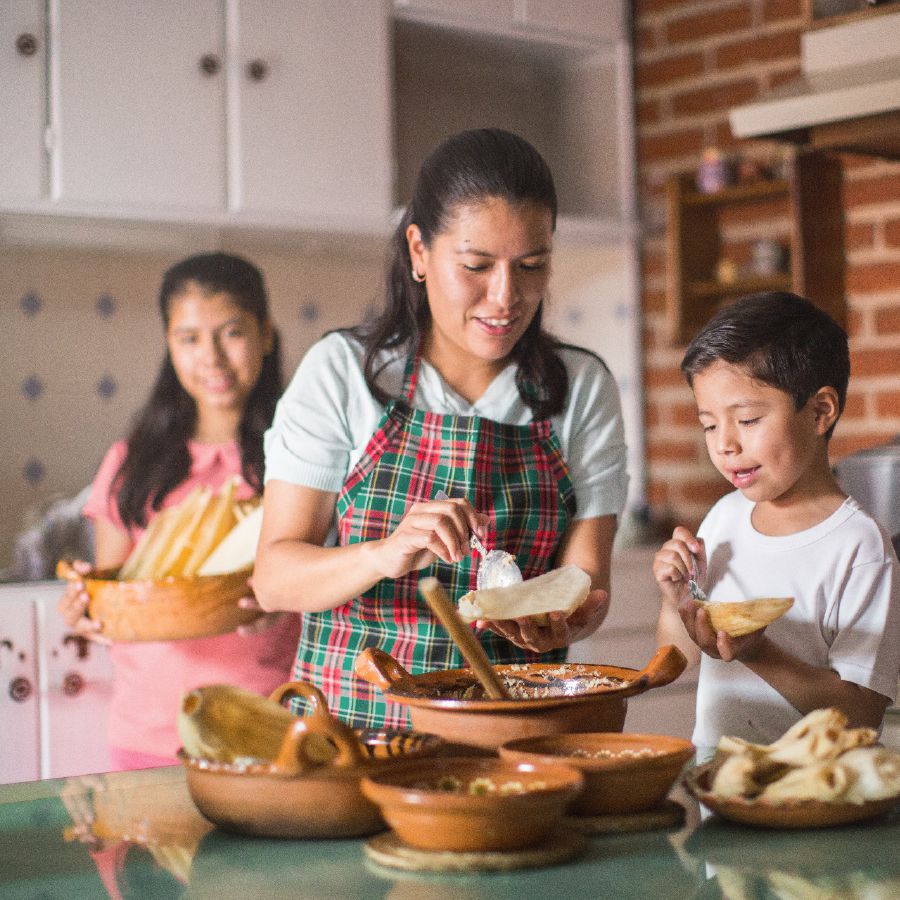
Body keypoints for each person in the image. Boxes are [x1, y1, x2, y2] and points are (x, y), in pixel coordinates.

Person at [254, 128, 629, 728]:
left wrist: (566, 616)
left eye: (532, 265)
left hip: (512, 738)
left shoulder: (580, 387)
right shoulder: (345, 372)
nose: (506, 298)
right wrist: (382, 554)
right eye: (476, 266)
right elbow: (275, 579)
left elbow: (585, 580)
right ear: (419, 252)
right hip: (353, 734)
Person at [59, 252, 299, 770]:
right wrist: (87, 605)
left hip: (265, 725)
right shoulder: (131, 461)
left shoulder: (302, 458)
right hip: (145, 732)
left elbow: (331, 586)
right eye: (189, 338)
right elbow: (111, 588)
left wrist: (291, 600)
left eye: (231, 333)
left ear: (266, 334)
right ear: (169, 345)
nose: (211, 357)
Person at [653, 291, 900, 748]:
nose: (724, 443)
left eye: (746, 419)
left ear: (820, 412)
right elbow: (680, 658)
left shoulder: (859, 545)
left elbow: (861, 713)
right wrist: (677, 602)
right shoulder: (724, 519)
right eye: (709, 424)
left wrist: (759, 652)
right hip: (720, 788)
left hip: (817, 800)